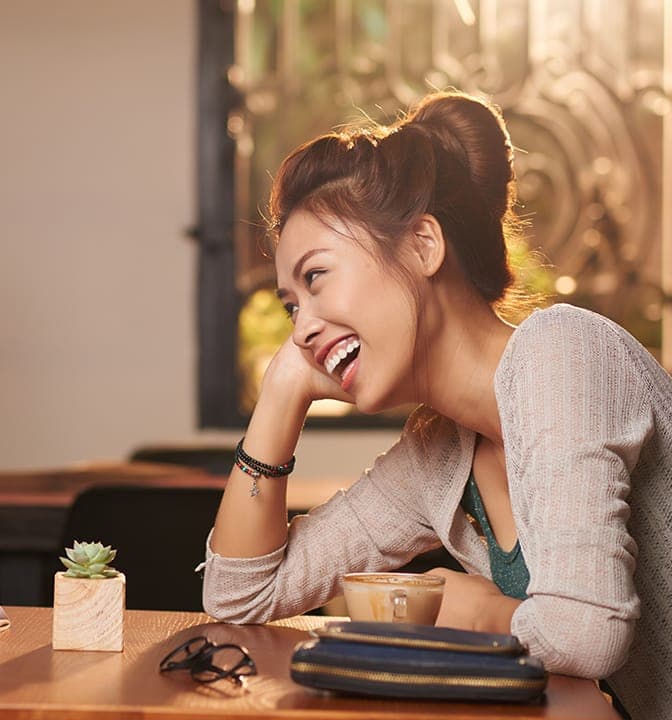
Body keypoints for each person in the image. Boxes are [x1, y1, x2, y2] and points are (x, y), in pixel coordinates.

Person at [201, 91, 670, 719]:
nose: (301, 327)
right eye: (291, 307)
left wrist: (480, 612)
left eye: (315, 279)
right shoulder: (438, 455)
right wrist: (284, 391)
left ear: (423, 245)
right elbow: (239, 596)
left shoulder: (565, 355)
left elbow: (588, 631)